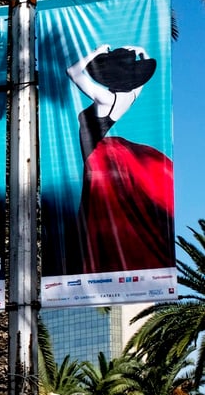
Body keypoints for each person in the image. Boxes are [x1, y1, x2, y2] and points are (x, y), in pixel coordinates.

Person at [64, 43, 173, 275]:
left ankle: (89, 261)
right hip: (98, 154)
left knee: (94, 211)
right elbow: (145, 67)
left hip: (94, 158)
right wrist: (141, 51)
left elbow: (72, 72)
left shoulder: (104, 98)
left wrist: (96, 51)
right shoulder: (133, 94)